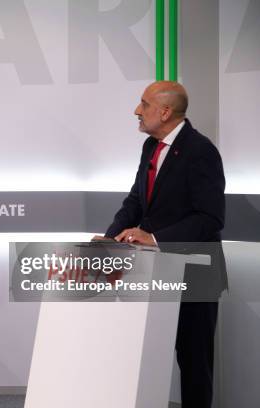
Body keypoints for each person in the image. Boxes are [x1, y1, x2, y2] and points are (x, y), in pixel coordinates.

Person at [98, 81, 226, 407]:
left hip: (195, 274)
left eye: (143, 104)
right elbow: (135, 202)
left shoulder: (201, 151)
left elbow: (210, 219)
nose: (136, 111)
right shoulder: (150, 147)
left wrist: (153, 238)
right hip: (156, 272)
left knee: (194, 363)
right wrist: (110, 239)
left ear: (165, 111)